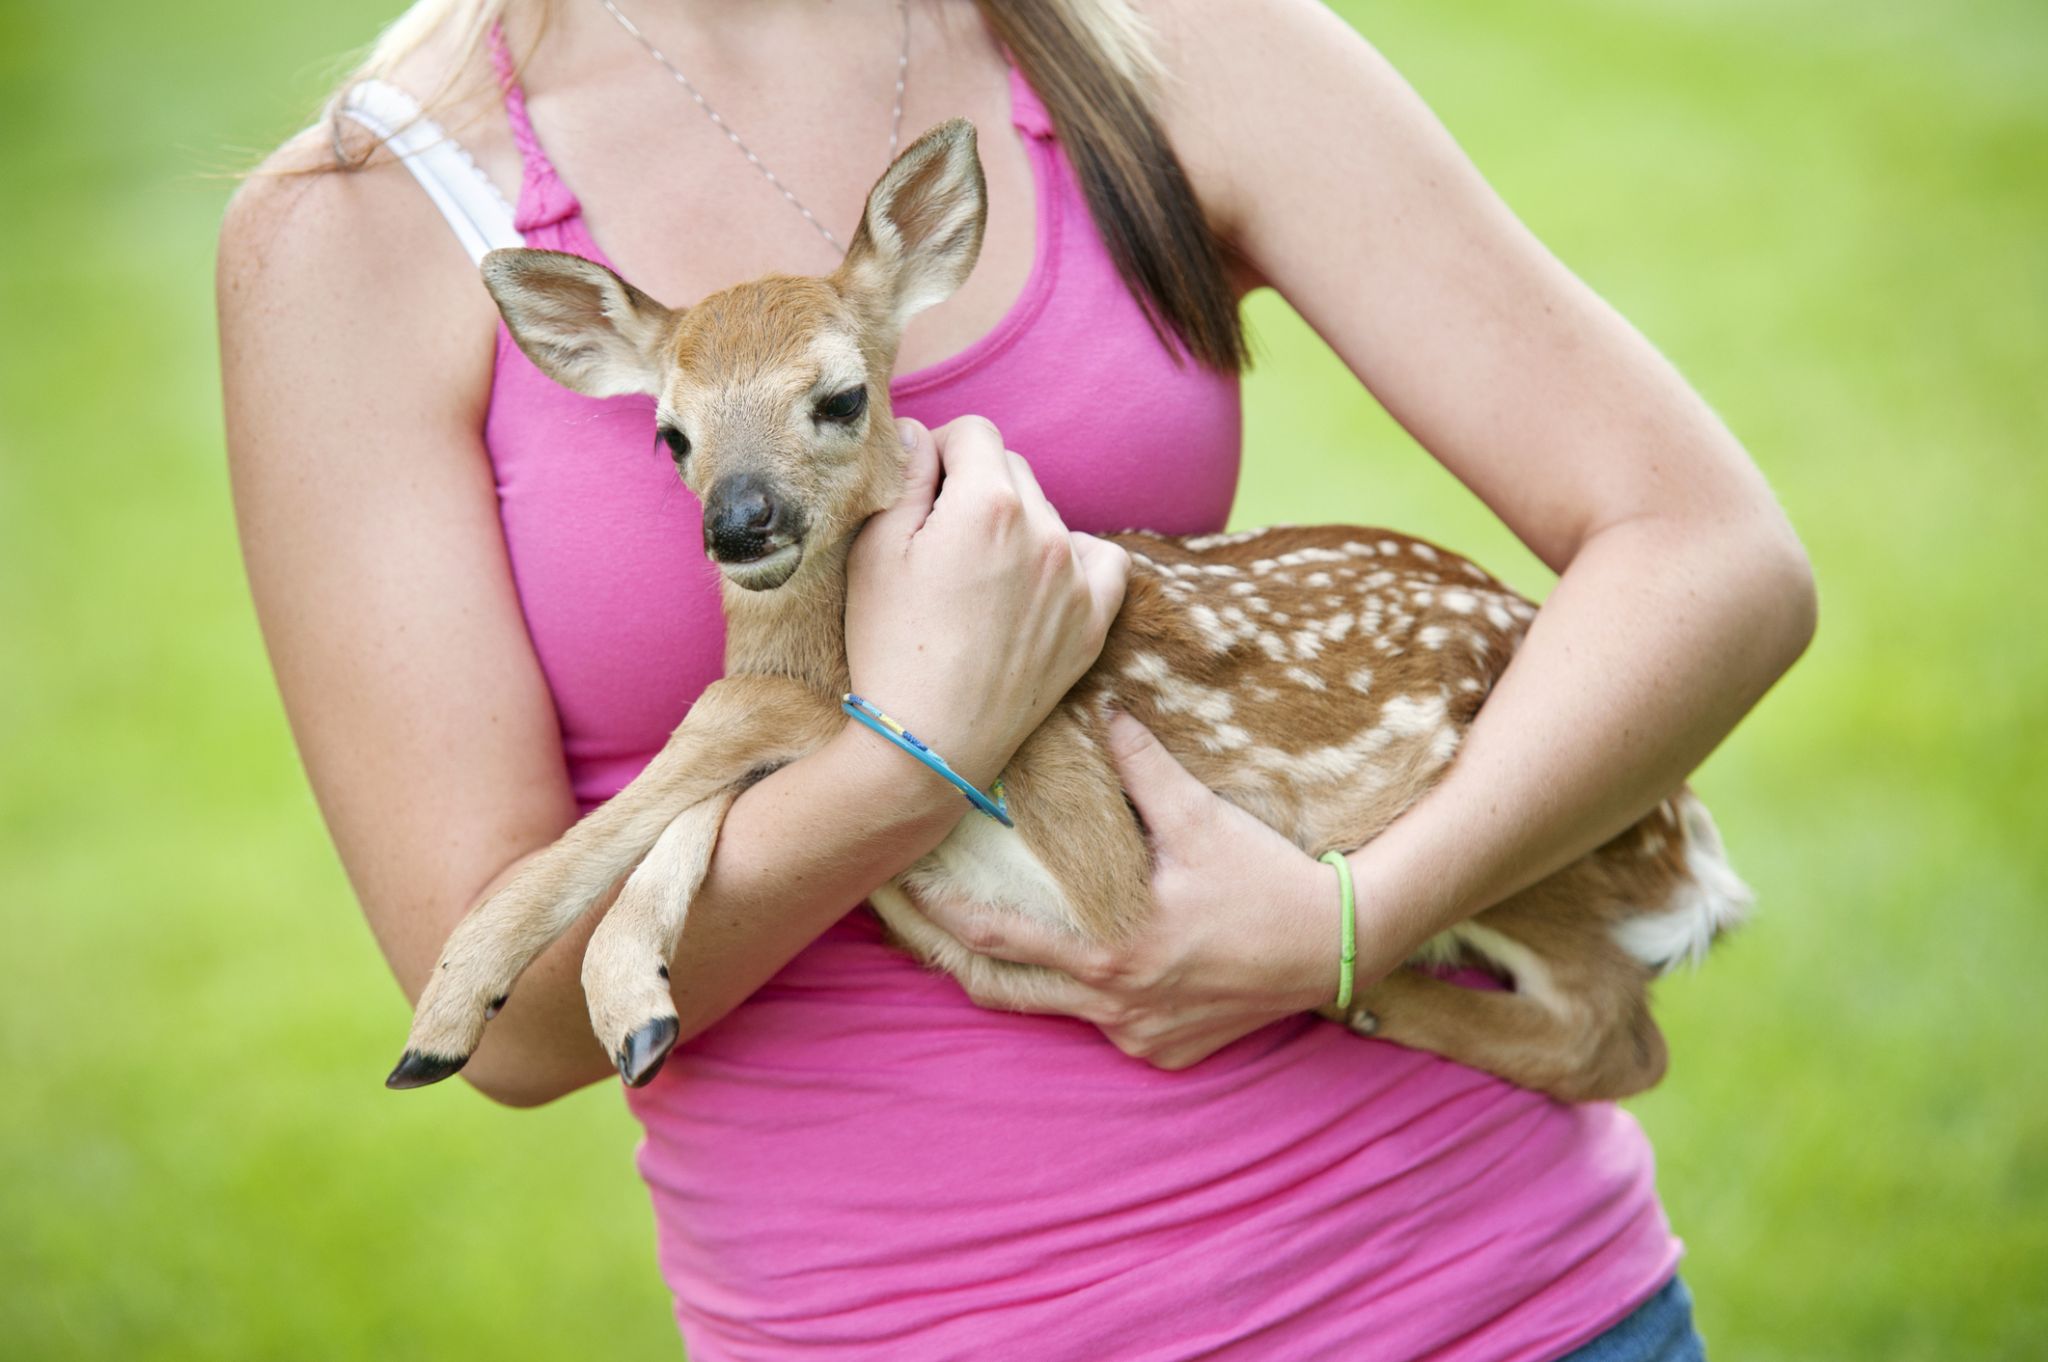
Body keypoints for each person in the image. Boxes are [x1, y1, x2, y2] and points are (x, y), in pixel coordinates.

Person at [218, 1, 1814, 1357]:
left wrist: (1350, 923)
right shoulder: (367, 227)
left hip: (1475, 1288)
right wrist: (911, 755)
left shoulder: (1134, 39)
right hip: (909, 1313)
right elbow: (503, 1023)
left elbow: (1709, 552)